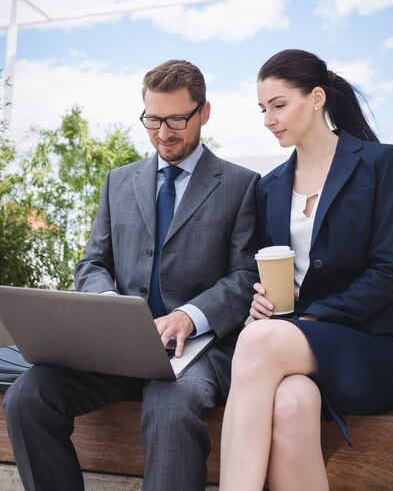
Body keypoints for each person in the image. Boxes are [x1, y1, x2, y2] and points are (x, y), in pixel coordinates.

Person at [3, 59, 260, 491]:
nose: (163, 133)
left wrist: (190, 316)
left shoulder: (241, 184)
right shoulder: (117, 182)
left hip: (196, 349)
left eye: (177, 119)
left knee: (168, 410)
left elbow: (243, 275)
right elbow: (93, 263)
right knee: (27, 397)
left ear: (204, 112)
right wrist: (109, 309)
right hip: (116, 349)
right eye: (152, 119)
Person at [219, 49, 393, 491]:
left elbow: (388, 274)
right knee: (290, 405)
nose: (268, 119)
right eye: (263, 109)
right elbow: (272, 272)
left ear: (317, 98)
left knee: (257, 342)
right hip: (293, 347)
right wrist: (262, 300)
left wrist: (307, 321)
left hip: (370, 348)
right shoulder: (269, 187)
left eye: (279, 105)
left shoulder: (379, 163)